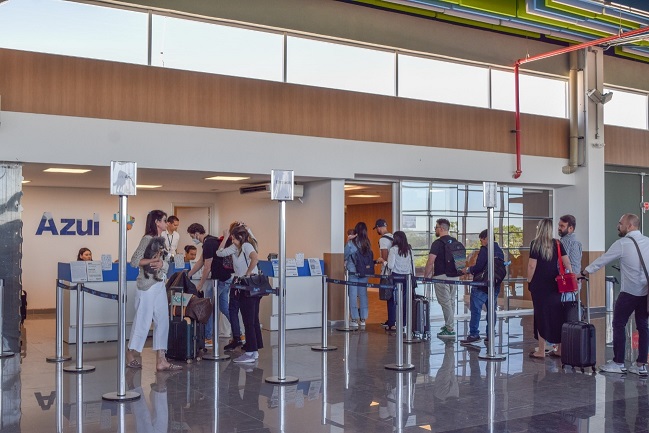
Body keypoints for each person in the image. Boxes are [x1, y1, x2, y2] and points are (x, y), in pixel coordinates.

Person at [582, 213, 649, 375]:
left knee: (619, 324)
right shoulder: (647, 241)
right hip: (646, 292)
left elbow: (603, 260)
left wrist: (585, 271)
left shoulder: (623, 243)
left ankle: (618, 362)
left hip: (629, 292)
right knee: (643, 326)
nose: (618, 226)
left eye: (620, 223)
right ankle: (641, 365)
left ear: (630, 226)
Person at [126, 209, 181, 372]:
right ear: (157, 222)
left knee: (162, 321)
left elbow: (165, 263)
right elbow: (135, 261)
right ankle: (131, 353)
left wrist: (161, 264)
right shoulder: (147, 239)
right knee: (143, 321)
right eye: (164, 220)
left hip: (159, 285)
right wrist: (152, 261)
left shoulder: (162, 240)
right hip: (147, 286)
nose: (167, 223)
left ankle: (161, 359)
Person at [216, 224, 262, 363]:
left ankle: (251, 352)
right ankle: (253, 350)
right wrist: (224, 238)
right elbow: (219, 253)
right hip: (245, 285)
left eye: (234, 238)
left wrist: (247, 274)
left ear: (240, 237)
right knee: (251, 319)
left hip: (248, 285)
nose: (233, 241)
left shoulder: (247, 246)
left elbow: (255, 258)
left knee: (249, 320)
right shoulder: (236, 248)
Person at [527, 218, 572, 359]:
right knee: (557, 315)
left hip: (539, 286)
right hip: (555, 285)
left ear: (540, 228)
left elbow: (531, 266)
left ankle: (541, 350)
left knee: (541, 316)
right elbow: (567, 263)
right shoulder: (557, 243)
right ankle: (559, 348)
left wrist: (529, 281)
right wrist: (569, 277)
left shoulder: (535, 244)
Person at [186, 223, 230, 348]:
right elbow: (201, 261)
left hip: (219, 280)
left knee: (208, 307)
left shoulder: (208, 243)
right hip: (225, 278)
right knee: (224, 307)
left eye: (191, 236)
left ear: (196, 233)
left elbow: (207, 266)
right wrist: (188, 275)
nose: (192, 238)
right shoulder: (211, 240)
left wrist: (200, 284)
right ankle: (241, 333)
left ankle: (208, 337)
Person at [460, 229, 505, 345]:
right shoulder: (500, 251)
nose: (481, 242)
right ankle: (490, 334)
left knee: (476, 310)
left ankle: (474, 334)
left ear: (487, 238)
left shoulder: (485, 250)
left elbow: (479, 266)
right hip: (494, 284)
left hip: (481, 285)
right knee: (491, 310)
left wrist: (468, 269)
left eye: (482, 239)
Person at [424, 218, 460, 339]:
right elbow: (461, 262)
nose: (435, 230)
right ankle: (448, 325)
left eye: (436, 228)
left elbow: (430, 261)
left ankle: (450, 328)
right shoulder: (456, 242)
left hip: (441, 276)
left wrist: (426, 276)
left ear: (442, 228)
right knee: (451, 301)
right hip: (455, 276)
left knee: (445, 303)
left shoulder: (437, 243)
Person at [377, 231, 413, 331]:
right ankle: (403, 323)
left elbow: (390, 266)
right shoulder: (409, 250)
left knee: (392, 300)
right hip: (406, 277)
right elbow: (411, 265)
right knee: (404, 300)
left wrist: (382, 261)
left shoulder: (393, 249)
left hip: (395, 277)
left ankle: (392, 324)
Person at [344, 222, 373, 328]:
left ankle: (354, 319)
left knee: (353, 295)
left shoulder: (352, 242)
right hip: (364, 272)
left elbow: (345, 254)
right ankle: (363, 318)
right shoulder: (367, 242)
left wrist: (348, 240)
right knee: (363, 295)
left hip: (353, 272)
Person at [558, 214, 583, 322]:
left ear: (571, 228)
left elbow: (563, 263)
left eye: (562, 226)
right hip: (573, 282)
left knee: (565, 314)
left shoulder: (566, 242)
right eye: (559, 225)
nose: (559, 228)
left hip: (567, 282)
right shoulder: (577, 242)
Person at [374, 219, 394, 328]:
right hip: (396, 271)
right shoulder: (393, 237)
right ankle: (393, 320)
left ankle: (391, 322)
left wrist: (380, 260)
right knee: (394, 297)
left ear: (379, 227)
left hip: (387, 272)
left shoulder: (383, 240)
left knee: (388, 296)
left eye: (377, 228)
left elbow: (384, 257)